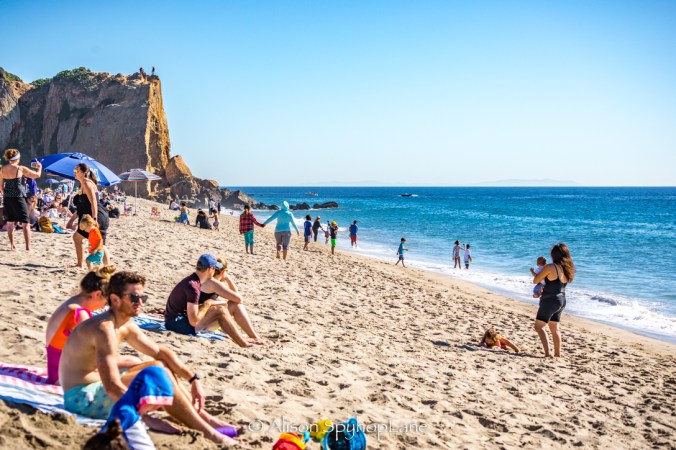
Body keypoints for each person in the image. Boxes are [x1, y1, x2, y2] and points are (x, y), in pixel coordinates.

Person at [60, 271, 237, 445]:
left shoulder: (124, 323)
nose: (140, 303)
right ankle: (211, 434)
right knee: (157, 372)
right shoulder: (103, 329)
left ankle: (205, 419)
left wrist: (193, 379)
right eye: (134, 298)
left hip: (95, 386)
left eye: (142, 298)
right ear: (115, 299)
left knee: (160, 364)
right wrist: (145, 419)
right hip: (82, 398)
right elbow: (111, 385)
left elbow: (159, 352)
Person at [45, 266, 143, 385]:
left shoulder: (69, 305)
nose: (103, 307)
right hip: (64, 377)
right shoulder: (79, 314)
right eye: (106, 302)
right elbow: (93, 351)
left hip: (56, 372)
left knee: (128, 361)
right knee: (133, 363)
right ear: (97, 294)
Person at [164, 254, 253, 348]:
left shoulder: (193, 281)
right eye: (215, 269)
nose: (215, 272)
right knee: (220, 310)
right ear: (210, 269)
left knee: (219, 309)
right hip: (176, 325)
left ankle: (244, 340)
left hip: (174, 321)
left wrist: (209, 305)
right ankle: (244, 344)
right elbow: (193, 321)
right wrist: (207, 304)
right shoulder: (193, 287)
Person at [84, 366, 173, 450]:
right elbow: (107, 436)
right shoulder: (126, 412)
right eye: (155, 404)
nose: (155, 408)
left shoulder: (127, 409)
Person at [199, 256, 264, 345]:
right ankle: (254, 336)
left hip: (199, 320)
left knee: (232, 304)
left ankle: (253, 336)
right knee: (236, 305)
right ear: (223, 272)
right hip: (201, 325)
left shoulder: (205, 279)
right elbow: (239, 299)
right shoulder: (214, 283)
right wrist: (228, 279)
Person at [532, 243, 575, 358]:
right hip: (561, 300)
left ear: (554, 255)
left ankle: (547, 353)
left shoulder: (551, 267)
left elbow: (536, 280)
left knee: (539, 327)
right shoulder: (568, 268)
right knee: (555, 329)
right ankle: (557, 354)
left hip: (550, 300)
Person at [0, 149, 42, 251]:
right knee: (25, 222)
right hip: (19, 197)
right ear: (17, 158)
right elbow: (37, 175)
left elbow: (0, 186)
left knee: (10, 222)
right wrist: (39, 168)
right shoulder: (20, 168)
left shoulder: (2, 169)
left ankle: (12, 245)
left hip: (8, 198)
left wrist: (5, 193)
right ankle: (28, 247)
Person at [73, 163, 110, 268]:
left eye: (77, 171)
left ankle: (107, 268)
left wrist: (94, 219)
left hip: (96, 216)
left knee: (101, 245)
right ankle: (80, 264)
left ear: (84, 173)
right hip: (89, 217)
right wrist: (71, 220)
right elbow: (82, 206)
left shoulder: (87, 183)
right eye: (74, 171)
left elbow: (94, 202)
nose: (74, 172)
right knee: (77, 237)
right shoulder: (82, 184)